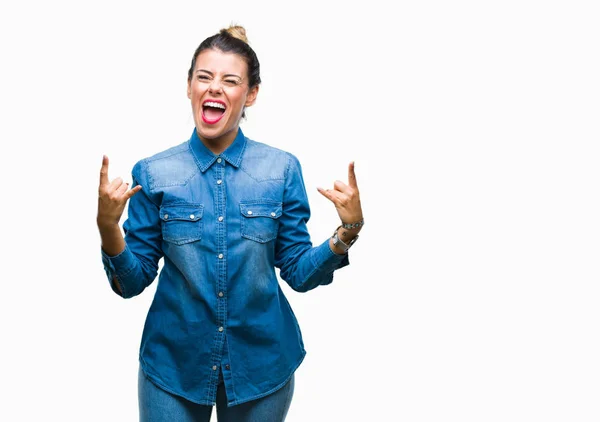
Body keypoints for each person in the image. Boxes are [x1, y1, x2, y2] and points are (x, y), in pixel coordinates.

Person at [97, 24, 363, 422]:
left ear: (250, 94)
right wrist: (107, 228)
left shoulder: (282, 169)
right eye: (203, 77)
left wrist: (347, 232)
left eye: (230, 80)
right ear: (189, 87)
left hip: (262, 363)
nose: (214, 87)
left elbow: (298, 272)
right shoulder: (152, 173)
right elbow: (131, 283)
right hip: (173, 366)